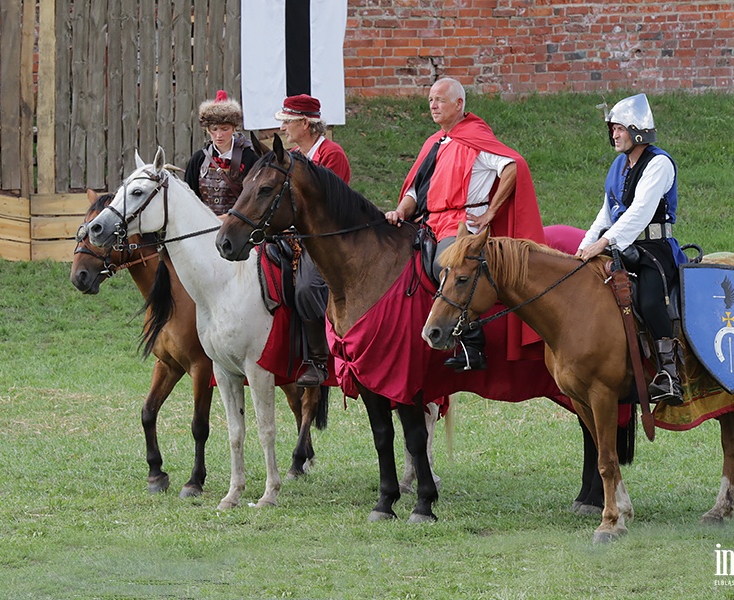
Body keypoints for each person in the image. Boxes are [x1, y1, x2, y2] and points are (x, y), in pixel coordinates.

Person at [385, 77, 545, 372]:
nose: (433, 105)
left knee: (446, 266)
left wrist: (490, 213)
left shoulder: (476, 137)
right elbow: (414, 190)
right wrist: (399, 211)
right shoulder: (433, 141)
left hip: (460, 225)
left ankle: (473, 346)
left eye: (440, 100)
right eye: (431, 99)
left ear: (459, 104)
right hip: (426, 221)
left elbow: (514, 165)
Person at [575, 93, 687, 405]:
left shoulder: (659, 163)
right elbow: (606, 212)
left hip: (655, 250)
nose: (614, 134)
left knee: (650, 300)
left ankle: (669, 374)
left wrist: (605, 242)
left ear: (638, 130)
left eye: (619, 129)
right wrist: (584, 249)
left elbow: (639, 211)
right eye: (612, 129)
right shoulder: (618, 166)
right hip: (623, 248)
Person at [273, 94, 352, 387]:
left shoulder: (332, 155)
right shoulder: (293, 156)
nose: (282, 129)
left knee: (306, 287)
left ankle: (319, 361)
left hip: (325, 239)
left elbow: (330, 207)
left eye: (287, 122)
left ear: (305, 123)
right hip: (295, 235)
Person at [185, 90, 259, 216]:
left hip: (238, 227)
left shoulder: (249, 158)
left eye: (225, 129)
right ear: (208, 130)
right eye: (214, 129)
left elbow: (255, 199)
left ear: (234, 128)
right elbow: (189, 197)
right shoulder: (199, 158)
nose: (219, 135)